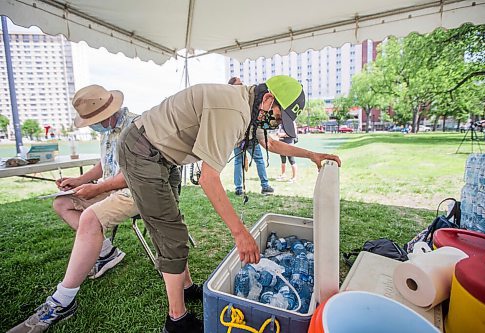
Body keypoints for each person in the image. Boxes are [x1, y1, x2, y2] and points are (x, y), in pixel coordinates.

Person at [118, 75, 341, 333]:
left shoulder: (249, 106)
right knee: (171, 234)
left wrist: (311, 155)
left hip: (164, 155)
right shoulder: (233, 110)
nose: (276, 123)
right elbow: (208, 179)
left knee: (173, 222)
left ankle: (187, 288)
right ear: (268, 99)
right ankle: (176, 320)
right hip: (142, 150)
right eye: (279, 117)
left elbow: (268, 142)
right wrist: (240, 233)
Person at [8, 85, 202, 333]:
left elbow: (136, 175)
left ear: (107, 114)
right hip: (113, 188)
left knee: (90, 217)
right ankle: (105, 251)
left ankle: (63, 300)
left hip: (138, 189)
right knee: (62, 202)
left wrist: (96, 189)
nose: (92, 126)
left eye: (93, 121)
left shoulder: (136, 126)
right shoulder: (108, 130)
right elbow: (103, 165)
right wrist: (80, 181)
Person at [229, 77, 274, 195]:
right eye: (239, 84)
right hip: (244, 138)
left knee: (242, 161)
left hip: (247, 138)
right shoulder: (243, 100)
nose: (242, 85)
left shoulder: (239, 100)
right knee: (251, 160)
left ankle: (245, 187)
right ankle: (258, 186)